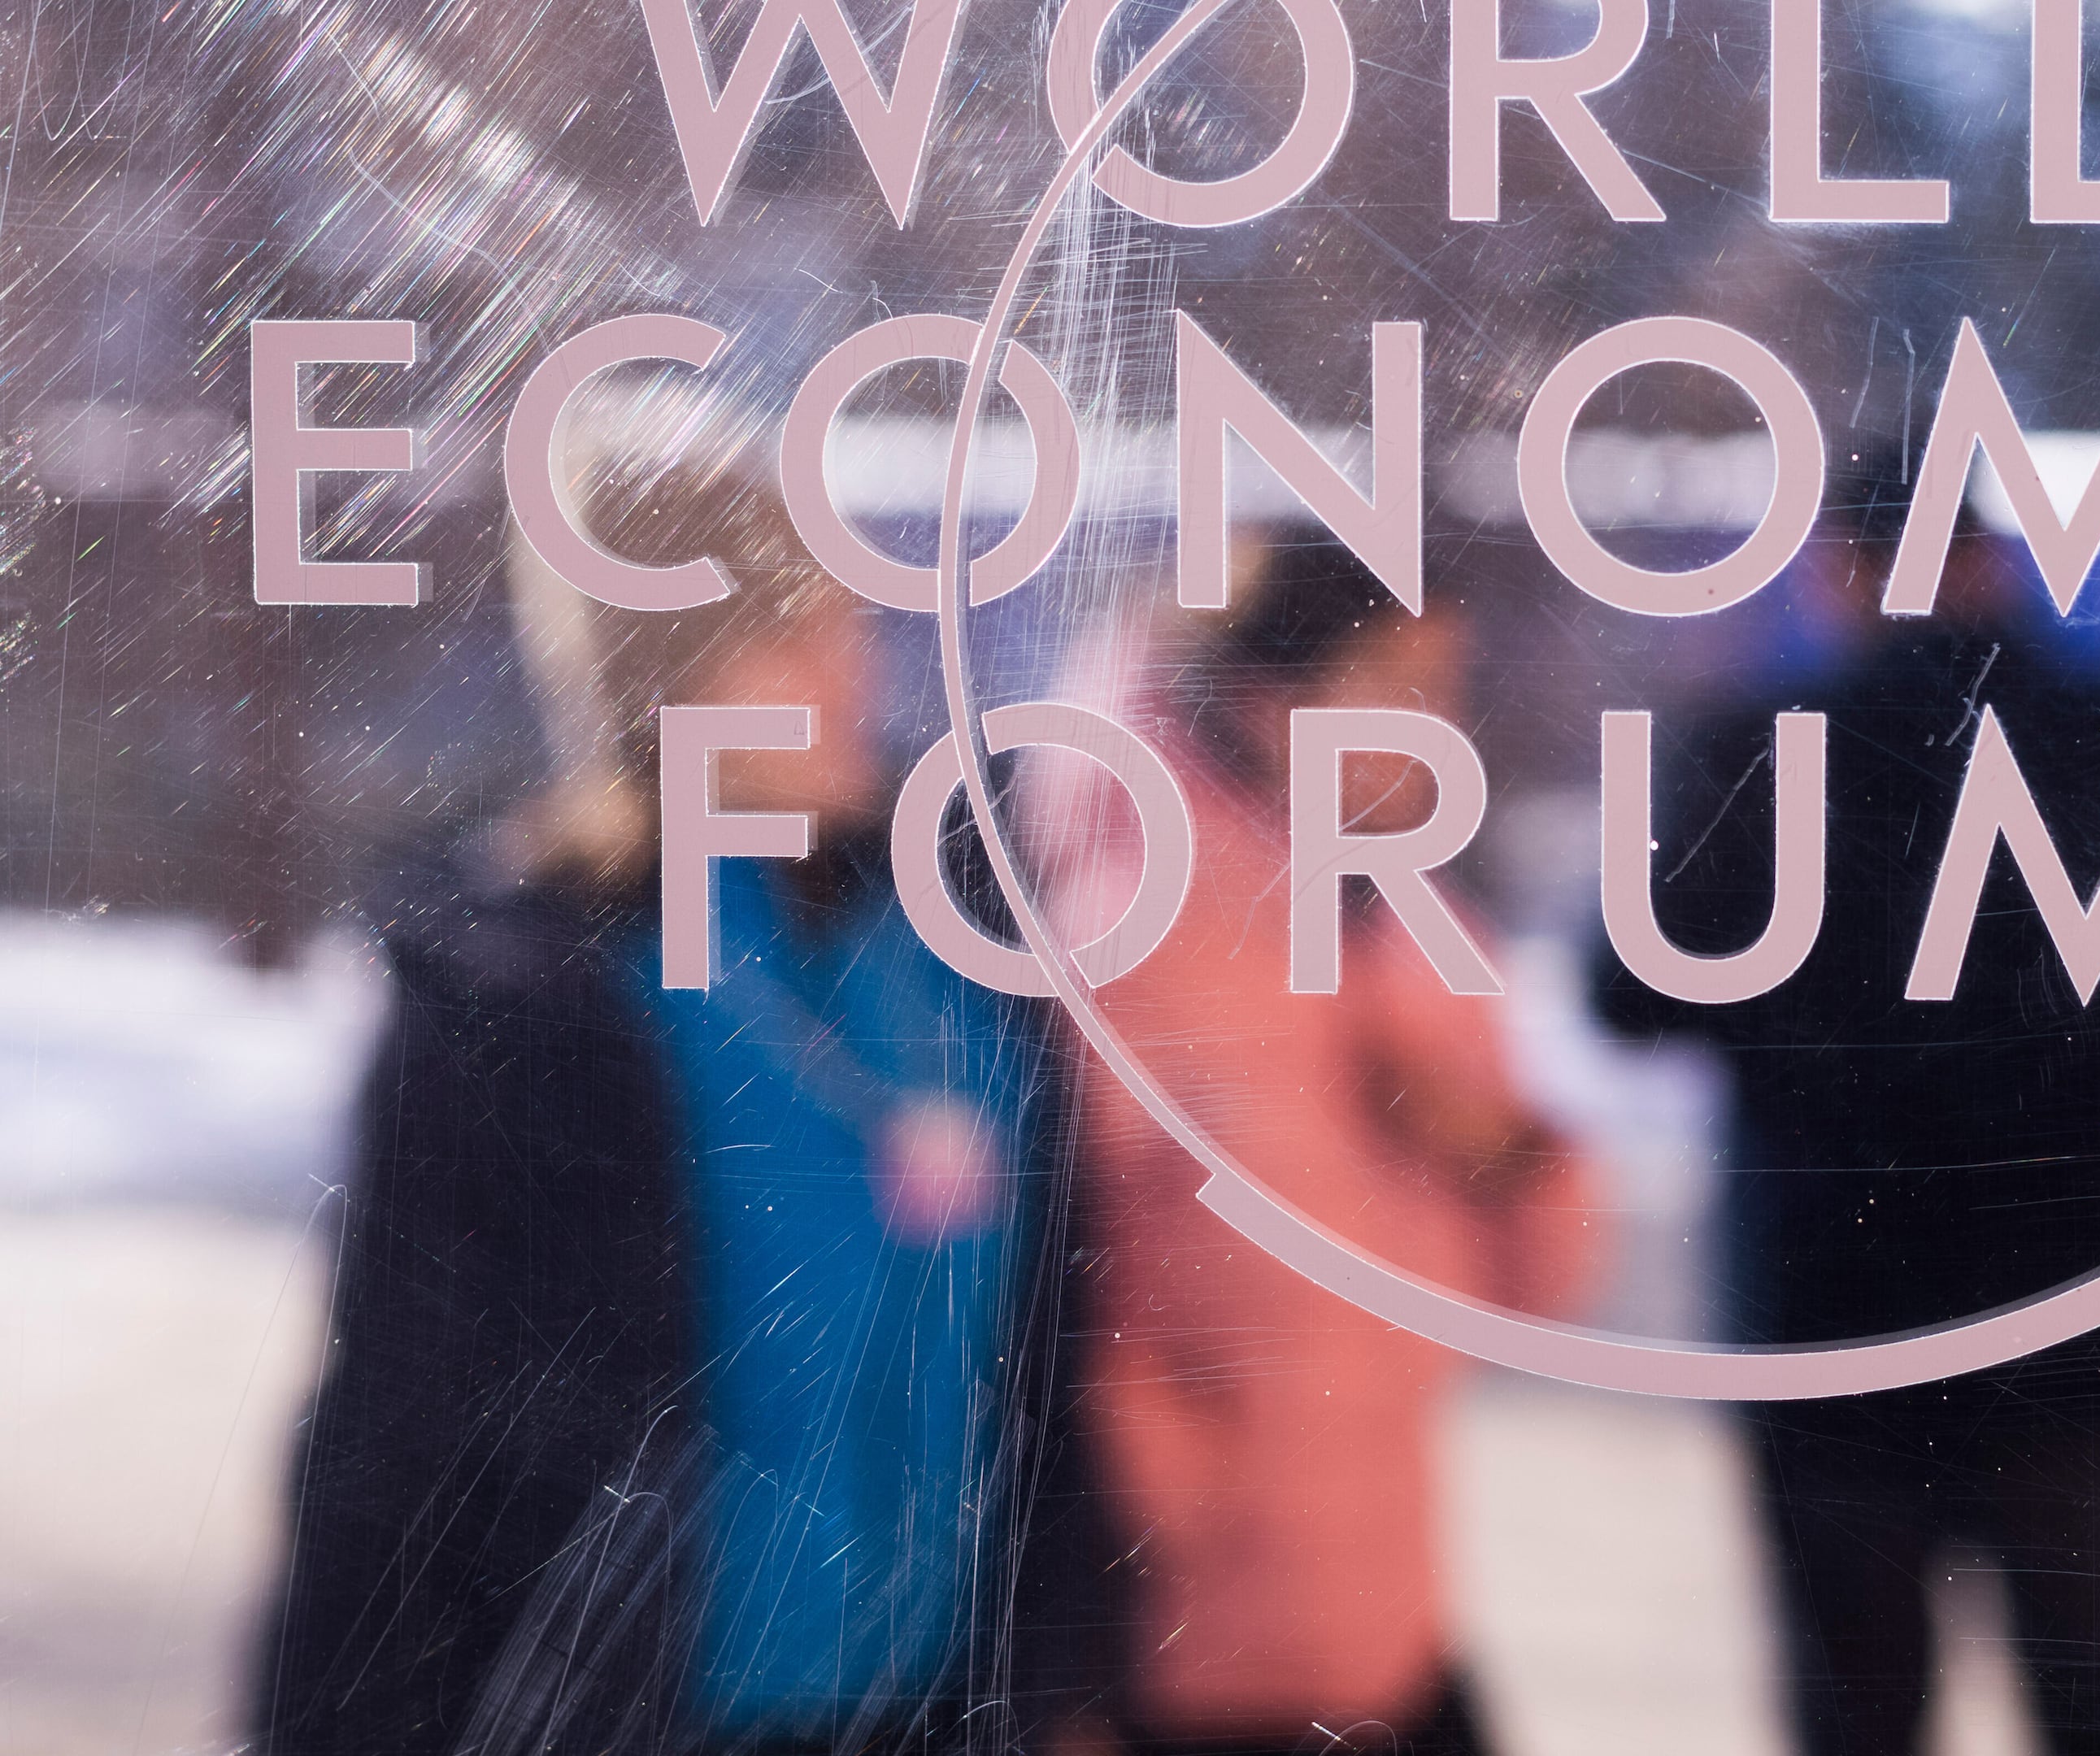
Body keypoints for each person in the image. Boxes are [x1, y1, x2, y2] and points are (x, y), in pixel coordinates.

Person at [254, 464, 1109, 1756]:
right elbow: (395, 1434)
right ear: (664, 687)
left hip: (938, 1714)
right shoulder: (525, 1000)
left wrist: (1069, 1683)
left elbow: (1058, 1367)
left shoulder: (961, 949)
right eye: (787, 638)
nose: (853, 675)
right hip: (643, 1721)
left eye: (852, 625)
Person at [1595, 479, 2100, 1756]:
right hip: (2061, 1295)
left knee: (1854, 1699)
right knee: (2089, 1680)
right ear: (1994, 560)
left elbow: (1626, 993)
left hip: (1826, 1308)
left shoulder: (1757, 744)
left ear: (1841, 569)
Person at [1059, 540, 1601, 1756]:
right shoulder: (1131, 940)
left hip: (1384, 1613)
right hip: (1194, 1646)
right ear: (1273, 707)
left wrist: (1509, 1152)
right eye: (1400, 686)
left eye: (1446, 687)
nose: (1440, 731)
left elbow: (1537, 1296)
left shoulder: (1412, 930)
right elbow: (1067, 1318)